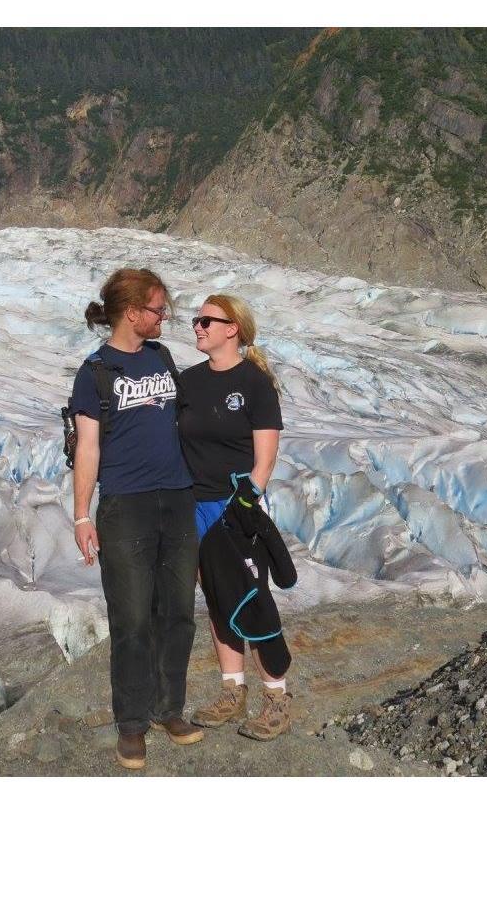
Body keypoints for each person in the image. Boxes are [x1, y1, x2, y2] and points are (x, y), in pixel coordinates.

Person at [70, 267, 203, 770]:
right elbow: (87, 447)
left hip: (178, 497)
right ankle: (131, 724)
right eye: (158, 309)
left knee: (178, 613)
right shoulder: (96, 371)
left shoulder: (161, 358)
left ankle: (170, 709)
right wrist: (82, 516)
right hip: (126, 505)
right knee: (130, 619)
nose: (164, 316)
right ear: (133, 313)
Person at [178, 294, 293, 740]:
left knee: (252, 596)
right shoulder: (188, 382)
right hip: (195, 504)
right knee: (218, 598)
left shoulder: (254, 382)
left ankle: (277, 697)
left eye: (208, 320)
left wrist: (247, 500)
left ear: (234, 329)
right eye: (196, 320)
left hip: (236, 505)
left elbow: (265, 455)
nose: (199, 327)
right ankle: (232, 690)